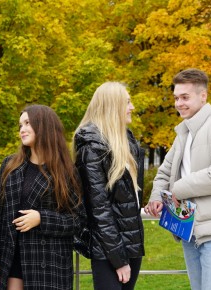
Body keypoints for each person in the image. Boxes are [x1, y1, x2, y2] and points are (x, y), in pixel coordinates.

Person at [145, 68, 211, 290]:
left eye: (185, 97)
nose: (178, 103)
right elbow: (164, 172)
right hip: (190, 229)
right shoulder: (183, 134)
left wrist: (179, 189)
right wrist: (156, 196)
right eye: (176, 98)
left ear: (203, 96)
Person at [0, 105, 85, 290]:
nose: (22, 129)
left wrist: (42, 218)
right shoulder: (10, 166)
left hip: (50, 263)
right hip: (12, 259)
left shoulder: (66, 171)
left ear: (44, 125)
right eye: (20, 125)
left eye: (28, 123)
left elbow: (78, 220)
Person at [74, 82, 145, 290]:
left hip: (132, 244)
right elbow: (99, 210)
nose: (131, 107)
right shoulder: (91, 148)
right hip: (108, 251)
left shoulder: (128, 142)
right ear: (112, 106)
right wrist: (119, 259)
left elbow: (132, 200)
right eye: (127, 102)